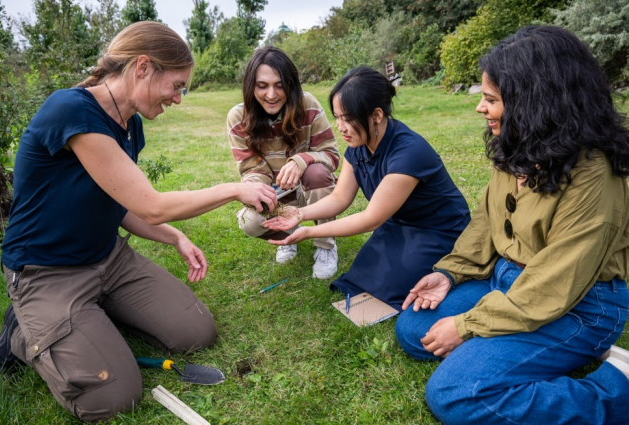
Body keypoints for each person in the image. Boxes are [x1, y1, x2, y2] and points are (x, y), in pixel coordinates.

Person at [0, 21, 276, 422]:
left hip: (108, 257)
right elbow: (152, 204)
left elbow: (123, 205)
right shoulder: (71, 110)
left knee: (196, 332)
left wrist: (174, 237)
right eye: (176, 85)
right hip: (46, 272)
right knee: (114, 396)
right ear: (142, 67)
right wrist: (234, 189)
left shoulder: (130, 125)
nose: (178, 98)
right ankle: (22, 332)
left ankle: (93, 315)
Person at [395, 25, 629, 425]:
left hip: (579, 305)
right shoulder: (518, 146)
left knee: (455, 393)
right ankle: (526, 353)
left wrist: (469, 326)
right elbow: (488, 221)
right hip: (509, 282)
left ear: (534, 103)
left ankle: (616, 387)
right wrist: (451, 273)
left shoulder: (596, 176)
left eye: (491, 99)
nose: (479, 108)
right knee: (414, 329)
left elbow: (555, 283)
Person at [264, 67, 470, 310]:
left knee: (390, 291)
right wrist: (302, 215)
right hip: (400, 225)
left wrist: (310, 233)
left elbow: (371, 219)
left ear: (377, 115)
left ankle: (455, 272)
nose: (341, 127)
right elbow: (341, 197)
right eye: (337, 117)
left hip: (439, 230)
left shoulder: (409, 152)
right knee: (360, 281)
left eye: (348, 118)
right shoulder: (358, 148)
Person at [227, 46, 341, 279]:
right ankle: (287, 234)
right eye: (262, 86)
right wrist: (257, 188)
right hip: (277, 194)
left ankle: (325, 244)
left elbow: (331, 155)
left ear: (291, 84)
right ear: (251, 87)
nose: (271, 94)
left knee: (317, 172)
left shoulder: (307, 104)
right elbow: (250, 169)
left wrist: (301, 160)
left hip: (310, 189)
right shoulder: (237, 117)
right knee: (249, 222)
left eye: (279, 85)